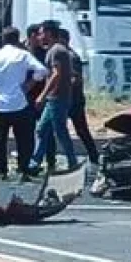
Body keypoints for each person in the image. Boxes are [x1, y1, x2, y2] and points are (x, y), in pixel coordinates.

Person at [0, 27, 45, 180]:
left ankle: (2, 170)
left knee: (0, 139)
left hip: (0, 104)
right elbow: (42, 70)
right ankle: (23, 169)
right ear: (17, 39)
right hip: (19, 103)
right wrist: (29, 84)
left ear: (3, 39)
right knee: (24, 139)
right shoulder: (23, 55)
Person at [25, 22, 79, 178]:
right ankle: (35, 163)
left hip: (57, 98)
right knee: (42, 130)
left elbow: (56, 74)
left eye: (42, 33)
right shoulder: (56, 50)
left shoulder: (56, 51)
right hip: (53, 99)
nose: (39, 37)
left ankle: (72, 163)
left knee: (60, 132)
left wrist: (42, 95)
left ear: (49, 33)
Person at [55, 26, 100, 166]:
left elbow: (76, 79)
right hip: (70, 99)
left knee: (81, 130)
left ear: (62, 40)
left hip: (74, 100)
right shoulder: (66, 55)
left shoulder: (70, 56)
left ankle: (93, 156)